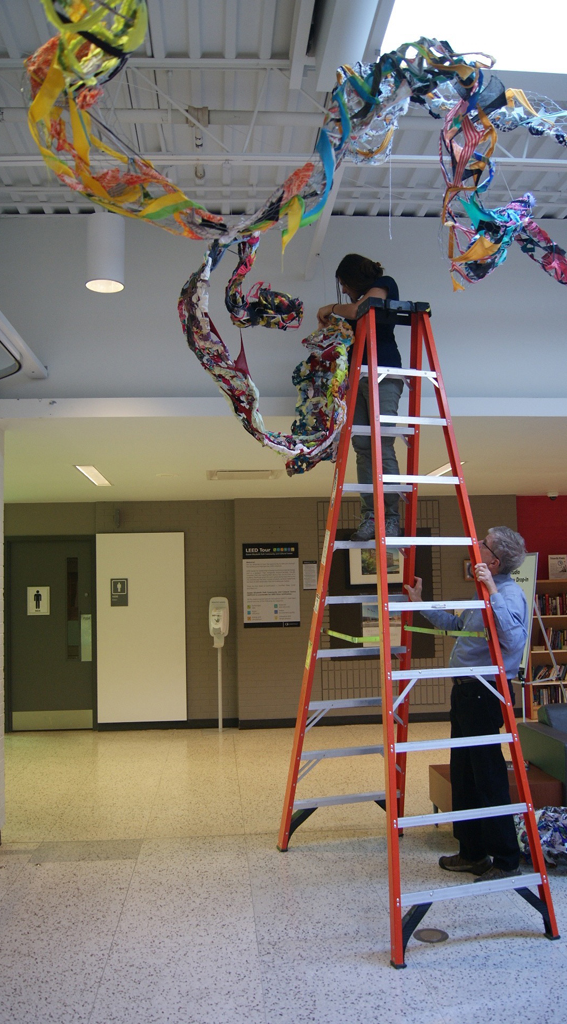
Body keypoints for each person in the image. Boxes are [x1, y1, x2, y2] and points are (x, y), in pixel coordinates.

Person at [404, 526, 529, 883]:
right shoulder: (484, 594)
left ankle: (506, 860)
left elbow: (514, 639)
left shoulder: (508, 593)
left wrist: (491, 589)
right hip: (464, 693)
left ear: (494, 560)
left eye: (483, 544)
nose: (476, 546)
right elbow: (457, 624)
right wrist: (420, 603)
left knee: (488, 776)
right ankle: (472, 852)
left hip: (484, 693)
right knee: (464, 774)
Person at [317, 253, 403, 541]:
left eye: (344, 283)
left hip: (383, 372)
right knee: (363, 447)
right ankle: (371, 516)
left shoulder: (383, 284)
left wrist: (330, 307)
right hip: (357, 375)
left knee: (382, 444)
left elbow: (362, 309)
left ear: (354, 279)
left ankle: (390, 518)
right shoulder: (352, 306)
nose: (343, 290)